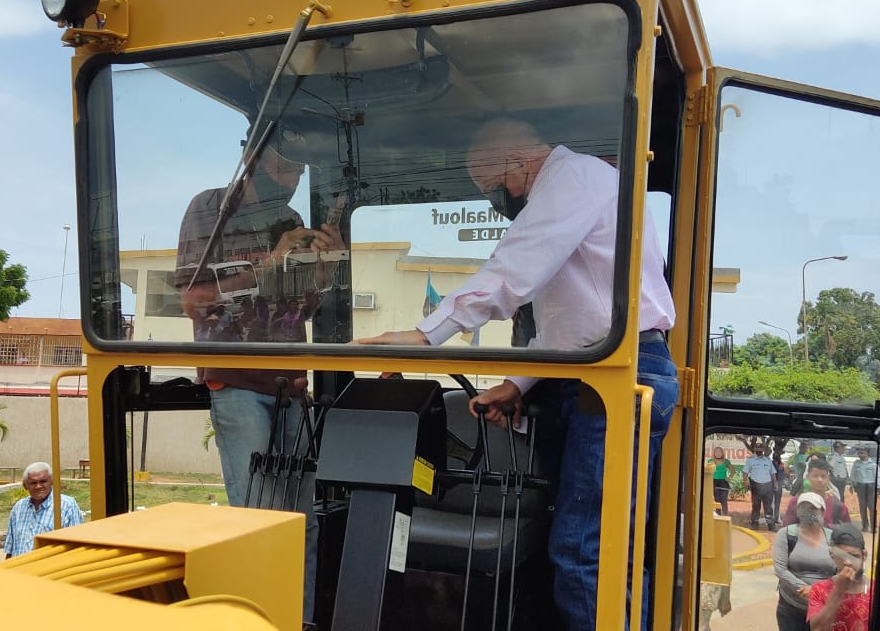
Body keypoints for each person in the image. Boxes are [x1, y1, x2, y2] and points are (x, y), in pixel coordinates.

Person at [354, 117, 678, 631]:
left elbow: (513, 272)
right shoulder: (575, 188)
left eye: (493, 187)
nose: (498, 201)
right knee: (589, 544)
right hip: (590, 372)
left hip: (617, 376)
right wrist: (517, 385)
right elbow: (573, 324)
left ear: (516, 159)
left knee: (586, 551)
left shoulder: (573, 177)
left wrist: (425, 335)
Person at [177, 140, 343, 624]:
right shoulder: (209, 210)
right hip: (237, 380)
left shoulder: (289, 219)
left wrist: (324, 270)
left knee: (302, 523)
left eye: (299, 171)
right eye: (285, 167)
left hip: (291, 385)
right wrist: (272, 260)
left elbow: (298, 310)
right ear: (253, 154)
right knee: (256, 522)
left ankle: (299, 620)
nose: (292, 179)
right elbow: (194, 302)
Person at [773, 492, 837, 631]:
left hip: (825, 607)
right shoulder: (786, 534)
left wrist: (818, 591)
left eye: (813, 508)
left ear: (823, 511)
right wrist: (806, 589)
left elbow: (842, 570)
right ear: (798, 511)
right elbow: (780, 569)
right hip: (792, 607)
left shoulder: (833, 537)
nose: (808, 511)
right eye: (804, 508)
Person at [3, 462, 83, 559]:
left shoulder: (67, 505)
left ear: (52, 482)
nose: (38, 486)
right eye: (33, 483)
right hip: (20, 567)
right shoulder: (18, 508)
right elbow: (10, 550)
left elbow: (76, 546)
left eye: (43, 481)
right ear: (25, 485)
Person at [806, 523, 871, 631]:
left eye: (854, 556)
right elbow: (817, 628)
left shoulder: (876, 590)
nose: (848, 562)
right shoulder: (819, 590)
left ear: (864, 555)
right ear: (832, 554)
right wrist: (838, 591)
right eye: (842, 556)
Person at [782, 458, 852, 528]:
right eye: (815, 476)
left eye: (823, 476)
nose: (819, 480)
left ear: (828, 478)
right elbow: (788, 529)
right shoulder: (796, 502)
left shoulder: (838, 506)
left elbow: (847, 531)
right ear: (807, 477)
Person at [744, 442, 779, 531]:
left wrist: (775, 483)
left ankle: (771, 525)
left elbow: (773, 473)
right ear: (754, 449)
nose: (759, 450)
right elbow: (745, 473)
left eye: (760, 448)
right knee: (756, 505)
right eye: (757, 448)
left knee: (768, 507)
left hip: (768, 486)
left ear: (763, 450)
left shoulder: (768, 460)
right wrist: (745, 482)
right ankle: (754, 523)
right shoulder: (750, 460)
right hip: (755, 485)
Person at [850, 446, 879, 533]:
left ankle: (873, 527)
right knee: (862, 507)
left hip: (871, 486)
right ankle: (865, 526)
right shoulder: (856, 464)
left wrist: (878, 488)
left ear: (867, 453)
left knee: (872, 507)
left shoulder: (873, 465)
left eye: (862, 453)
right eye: (859, 453)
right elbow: (853, 475)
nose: (860, 454)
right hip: (860, 486)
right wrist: (852, 485)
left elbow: (878, 476)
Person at [708, 446, 735, 517]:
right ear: (714, 453)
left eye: (719, 452)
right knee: (717, 500)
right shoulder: (710, 461)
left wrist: (729, 478)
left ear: (722, 453)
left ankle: (725, 516)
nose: (718, 453)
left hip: (723, 482)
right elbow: (708, 472)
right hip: (714, 482)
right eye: (716, 452)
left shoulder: (726, 461)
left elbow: (733, 470)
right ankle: (718, 516)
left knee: (723, 500)